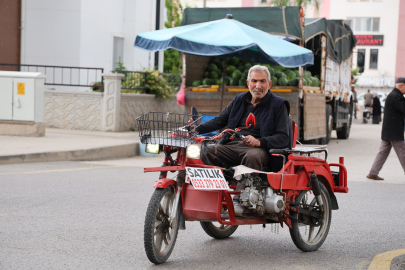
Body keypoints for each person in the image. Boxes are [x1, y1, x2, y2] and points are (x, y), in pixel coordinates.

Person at [196, 65, 290, 215]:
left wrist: (259, 141)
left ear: (270, 84)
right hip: (233, 145)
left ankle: (240, 200)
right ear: (248, 83)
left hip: (261, 150)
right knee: (206, 151)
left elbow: (284, 138)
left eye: (262, 81)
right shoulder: (240, 99)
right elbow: (219, 121)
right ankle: (215, 196)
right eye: (254, 81)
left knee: (252, 156)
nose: (258, 86)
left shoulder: (278, 104)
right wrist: (194, 129)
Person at [367, 77, 405, 180]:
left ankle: (373, 173)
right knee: (403, 152)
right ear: (401, 85)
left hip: (389, 130)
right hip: (394, 131)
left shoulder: (394, 95)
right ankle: (373, 173)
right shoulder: (396, 96)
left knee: (383, 152)